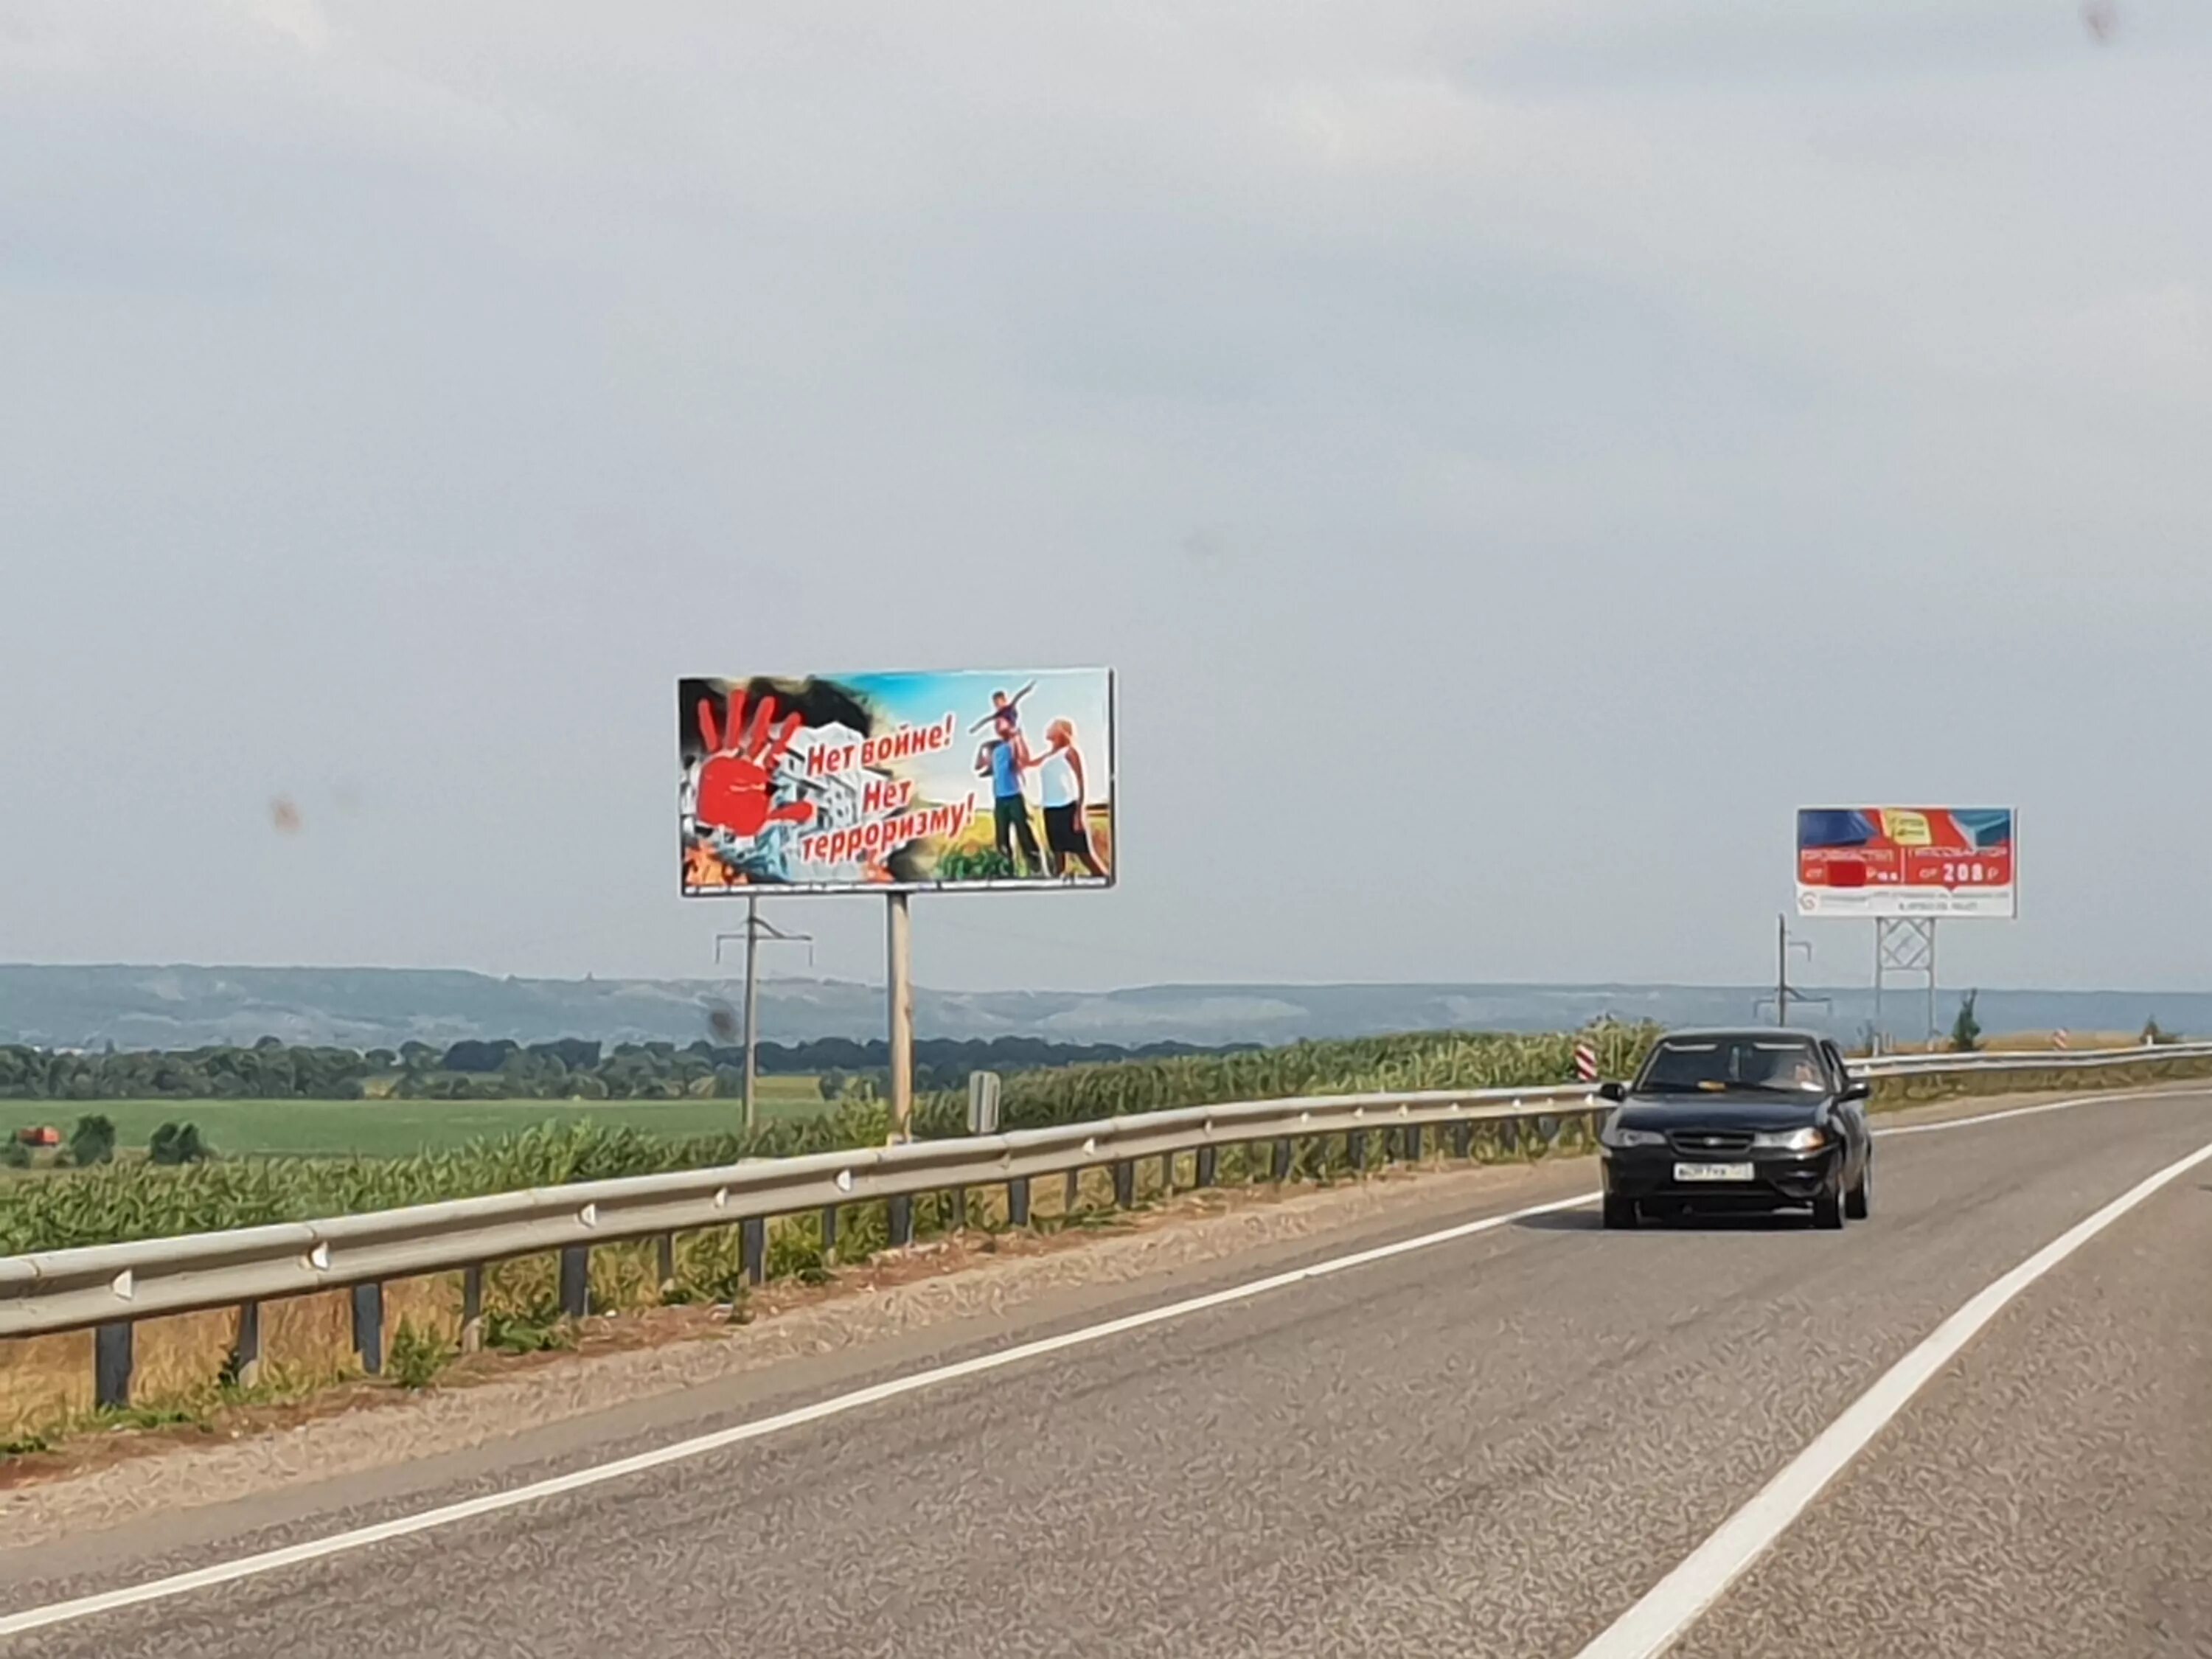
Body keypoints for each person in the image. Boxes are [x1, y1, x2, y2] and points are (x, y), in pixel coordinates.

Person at [1034, 718, 1106, 878]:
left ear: (1061, 730)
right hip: (1050, 809)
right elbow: (1026, 763)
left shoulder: (1070, 751)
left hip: (1068, 807)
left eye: (1053, 725)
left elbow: (1081, 780)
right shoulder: (1048, 756)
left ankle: (1106, 883)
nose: (1048, 727)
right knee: (1058, 856)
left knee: (1084, 855)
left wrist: (1080, 811)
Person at [975, 716, 1042, 874]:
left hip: (1015, 796)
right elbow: (979, 767)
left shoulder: (1014, 742)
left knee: (1024, 832)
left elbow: (1024, 761)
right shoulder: (995, 748)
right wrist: (982, 749)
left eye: (1001, 723)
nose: (998, 726)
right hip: (999, 798)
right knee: (1002, 835)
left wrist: (1016, 737)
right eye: (996, 724)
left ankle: (1035, 866)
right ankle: (1006, 866)